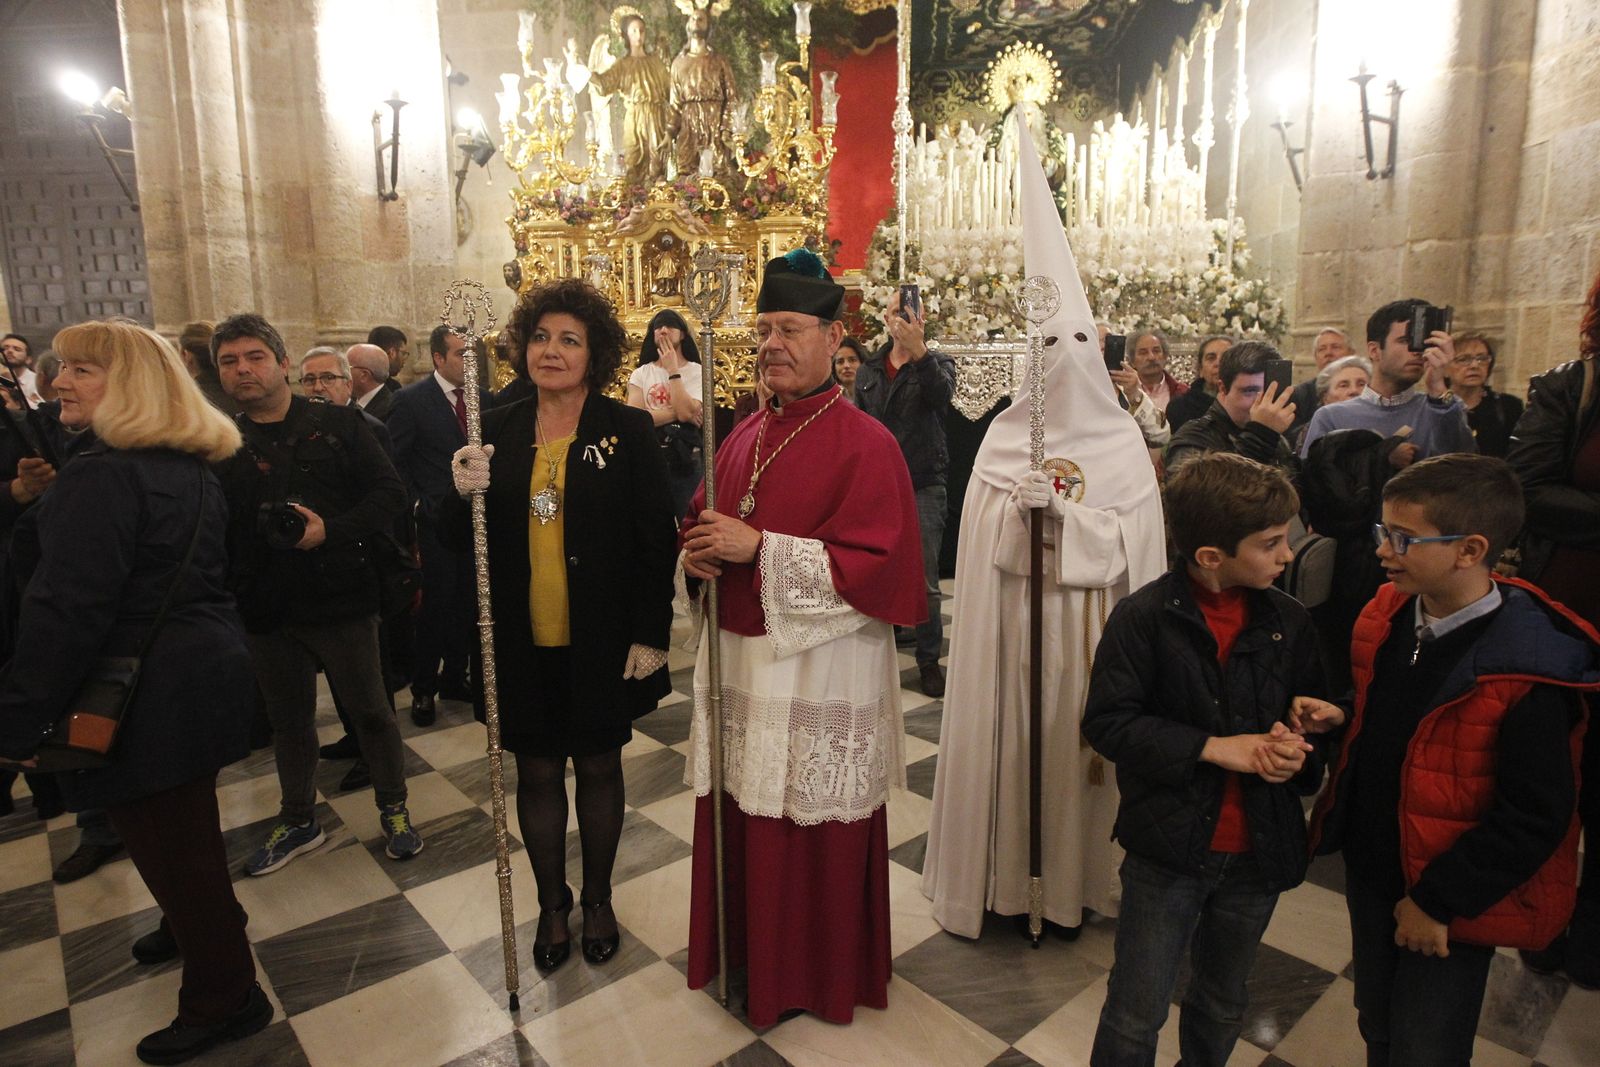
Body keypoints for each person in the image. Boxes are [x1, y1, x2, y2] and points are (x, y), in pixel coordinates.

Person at [0, 320, 270, 1064]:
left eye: (81, 369)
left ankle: (226, 996)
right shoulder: (182, 463)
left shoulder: (103, 472)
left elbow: (67, 609)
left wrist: (14, 719)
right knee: (183, 838)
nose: (58, 381)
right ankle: (197, 928)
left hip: (145, 689)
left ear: (129, 384)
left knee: (178, 849)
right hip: (199, 673)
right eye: (62, 368)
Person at [923, 123, 1167, 942]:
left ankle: (1073, 887)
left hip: (1092, 644)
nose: (1064, 359)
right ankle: (999, 881)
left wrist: (1066, 520)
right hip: (1010, 640)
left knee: (1073, 759)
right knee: (1012, 749)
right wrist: (1010, 511)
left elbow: (1140, 555)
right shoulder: (1002, 439)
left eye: (1078, 343)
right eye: (1048, 344)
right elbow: (978, 549)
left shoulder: (1124, 442)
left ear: (1097, 350)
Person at [681, 249, 925, 1026]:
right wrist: (696, 551)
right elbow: (703, 517)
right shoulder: (742, 433)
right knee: (746, 807)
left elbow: (881, 568)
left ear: (832, 339)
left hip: (823, 666)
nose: (771, 344)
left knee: (803, 818)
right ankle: (752, 956)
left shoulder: (867, 444)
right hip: (746, 657)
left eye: (789, 329)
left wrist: (762, 549)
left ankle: (814, 972)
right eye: (762, 330)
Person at [1309, 454, 1596, 1065]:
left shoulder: (1528, 669)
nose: (1384, 549)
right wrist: (1340, 714)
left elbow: (1535, 815)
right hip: (1376, 862)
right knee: (1378, 1020)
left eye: (1404, 538)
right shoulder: (1385, 612)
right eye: (1383, 531)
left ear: (1470, 550)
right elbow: (1389, 714)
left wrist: (1437, 901)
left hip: (1449, 894)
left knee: (1427, 1043)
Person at [447, 278, 677, 973]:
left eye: (569, 339)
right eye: (541, 337)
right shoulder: (496, 423)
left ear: (595, 351)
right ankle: (552, 903)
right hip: (519, 635)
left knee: (601, 765)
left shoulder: (627, 428)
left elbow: (653, 539)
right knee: (538, 769)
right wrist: (459, 491)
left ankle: (600, 897)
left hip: (602, 635)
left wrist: (651, 631)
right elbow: (464, 538)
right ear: (523, 345)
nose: (552, 350)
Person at [1084, 453, 1333, 1067]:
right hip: (1168, 849)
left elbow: (1321, 712)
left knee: (1223, 999)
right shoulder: (1143, 618)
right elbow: (1109, 723)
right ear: (1211, 557)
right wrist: (1212, 747)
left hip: (1259, 846)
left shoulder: (1289, 620)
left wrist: (1302, 741)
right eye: (1271, 543)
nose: (1287, 555)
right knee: (1136, 1008)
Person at [213, 313, 422, 875]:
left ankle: (394, 808)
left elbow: (389, 494)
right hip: (264, 602)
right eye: (229, 362)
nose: (243, 370)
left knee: (372, 712)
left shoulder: (340, 426)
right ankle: (299, 818)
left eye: (254, 357)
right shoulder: (219, 440)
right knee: (290, 721)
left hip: (340, 596)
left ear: (283, 363)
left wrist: (330, 529)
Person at [1506, 270, 1600, 989]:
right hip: (1575, 607)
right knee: (1557, 767)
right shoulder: (1569, 390)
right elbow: (1530, 489)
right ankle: (1545, 915)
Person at [854, 292, 958, 697]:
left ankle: (929, 662)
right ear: (886, 316)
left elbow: (942, 397)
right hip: (879, 484)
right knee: (875, 573)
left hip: (922, 481)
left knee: (926, 581)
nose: (903, 318)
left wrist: (920, 354)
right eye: (897, 311)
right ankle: (874, 660)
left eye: (910, 311)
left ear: (923, 317)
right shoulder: (869, 370)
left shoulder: (937, 362)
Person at [387, 325, 485, 725]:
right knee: (436, 605)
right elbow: (396, 460)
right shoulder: (412, 401)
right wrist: (417, 503)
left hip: (476, 520)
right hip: (435, 519)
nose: (470, 362)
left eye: (474, 355)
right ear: (438, 358)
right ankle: (423, 687)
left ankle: (454, 675)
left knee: (469, 602)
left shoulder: (483, 399)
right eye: (462, 354)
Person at [1299, 300, 1474, 463]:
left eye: (1423, 343)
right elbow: (1315, 481)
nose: (1417, 352)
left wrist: (1437, 391)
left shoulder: (1444, 407)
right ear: (1375, 351)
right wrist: (1381, 457)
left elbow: (1461, 469)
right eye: (1405, 341)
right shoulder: (1332, 416)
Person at [567, 11, 672, 186]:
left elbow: (671, 91)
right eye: (633, 31)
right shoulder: (622, 65)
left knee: (657, 162)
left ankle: (659, 204)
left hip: (656, 116)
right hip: (634, 115)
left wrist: (672, 126)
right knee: (633, 159)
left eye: (641, 30)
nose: (638, 35)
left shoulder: (656, 63)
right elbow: (604, 83)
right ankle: (634, 202)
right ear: (626, 35)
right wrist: (583, 70)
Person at [1164, 341, 1298, 476]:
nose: (1262, 404)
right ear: (1222, 389)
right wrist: (1261, 437)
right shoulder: (1192, 440)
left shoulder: (1277, 440)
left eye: (1269, 393)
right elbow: (1207, 494)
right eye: (1250, 391)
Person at [627, 308, 704, 520]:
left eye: (670, 325)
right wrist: (678, 413)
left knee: (691, 523)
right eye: (657, 326)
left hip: (686, 460)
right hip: (651, 458)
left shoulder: (697, 371)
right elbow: (636, 419)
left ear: (683, 334)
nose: (662, 330)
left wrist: (673, 371)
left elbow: (687, 411)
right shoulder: (641, 373)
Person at [669, 5, 737, 177]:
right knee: (685, 174)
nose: (696, 23)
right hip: (689, 124)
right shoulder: (678, 63)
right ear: (687, 24)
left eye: (701, 19)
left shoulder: (720, 61)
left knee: (718, 173)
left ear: (708, 26)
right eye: (693, 18)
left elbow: (732, 97)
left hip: (714, 122)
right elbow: (675, 104)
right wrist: (669, 132)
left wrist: (726, 128)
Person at [1447, 333, 1523, 458]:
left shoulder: (1509, 406)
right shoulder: (1436, 407)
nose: (1474, 365)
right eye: (1463, 359)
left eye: (1482, 358)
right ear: (1445, 368)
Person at [1291, 354, 1372, 453]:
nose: (1354, 391)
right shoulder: (1303, 437)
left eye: (1361, 384)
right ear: (1325, 398)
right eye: (1343, 385)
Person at [1288, 326, 1353, 435]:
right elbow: (1291, 437)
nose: (1328, 353)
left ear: (1351, 353)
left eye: (1335, 347)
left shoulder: (1362, 389)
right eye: (1322, 349)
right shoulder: (1301, 394)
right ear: (1316, 357)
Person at [1165, 333, 1233, 432]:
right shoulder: (1179, 407)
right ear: (1200, 369)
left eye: (1226, 357)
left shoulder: (1251, 404)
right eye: (1211, 358)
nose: (1218, 363)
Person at [1126, 330, 1187, 414]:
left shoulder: (1183, 392)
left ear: (1165, 357)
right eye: (1143, 353)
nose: (1151, 357)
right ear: (1132, 362)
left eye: (1156, 351)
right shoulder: (1123, 393)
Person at [346, 343, 395, 420]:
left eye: (346, 367)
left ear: (364, 375)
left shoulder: (389, 411)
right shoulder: (350, 402)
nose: (342, 373)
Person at [1, 332, 40, 406]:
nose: (9, 351)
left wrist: (11, 384)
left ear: (28, 359)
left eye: (17, 349)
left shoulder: (37, 381)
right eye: (5, 348)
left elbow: (39, 410)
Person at [366, 325, 409, 391]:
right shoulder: (393, 388)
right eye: (403, 353)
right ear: (392, 353)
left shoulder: (358, 381)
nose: (405, 359)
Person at [833, 337, 865, 403]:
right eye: (840, 362)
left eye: (852, 360)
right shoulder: (832, 400)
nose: (846, 366)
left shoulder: (875, 396)